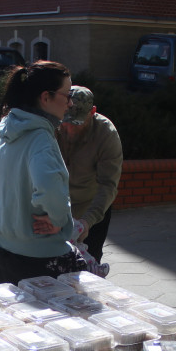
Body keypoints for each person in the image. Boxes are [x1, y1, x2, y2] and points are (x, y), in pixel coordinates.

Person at [0, 60, 87, 285]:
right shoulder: (41, 140)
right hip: (41, 254)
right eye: (67, 95)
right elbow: (49, 188)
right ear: (45, 97)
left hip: (3, 249)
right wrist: (59, 220)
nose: (70, 103)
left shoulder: (1, 139)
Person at [56, 85, 123, 265]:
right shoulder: (52, 124)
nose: (70, 129)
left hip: (91, 208)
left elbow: (108, 185)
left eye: (77, 123)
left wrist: (87, 222)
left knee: (88, 264)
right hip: (57, 208)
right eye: (66, 122)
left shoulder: (106, 134)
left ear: (92, 112)